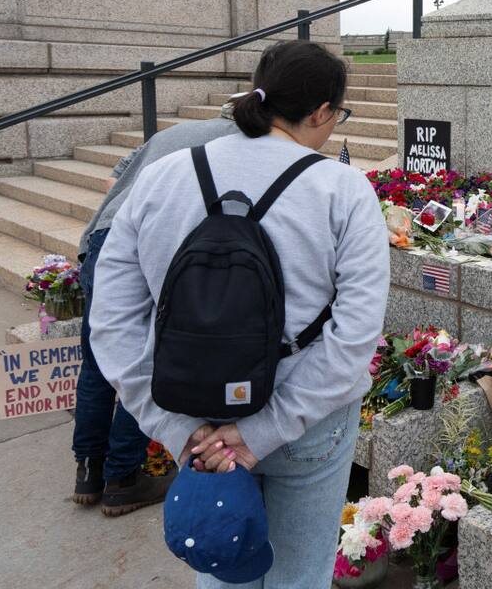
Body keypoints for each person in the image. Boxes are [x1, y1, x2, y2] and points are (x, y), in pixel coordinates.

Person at [89, 41, 390, 588]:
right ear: (321, 112)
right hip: (307, 415)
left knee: (222, 564)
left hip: (192, 404)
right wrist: (262, 430)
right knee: (299, 575)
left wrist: (175, 429)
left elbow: (109, 322)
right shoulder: (342, 189)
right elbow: (353, 342)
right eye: (337, 115)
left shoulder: (162, 177)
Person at [72, 104, 238, 515]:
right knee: (147, 362)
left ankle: (89, 472)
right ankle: (123, 477)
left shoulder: (173, 133)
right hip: (148, 241)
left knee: (98, 363)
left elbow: (116, 176)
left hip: (103, 236)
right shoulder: (236, 144)